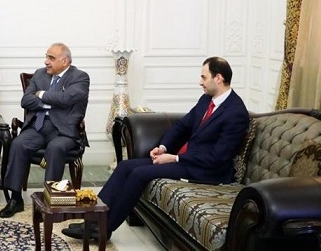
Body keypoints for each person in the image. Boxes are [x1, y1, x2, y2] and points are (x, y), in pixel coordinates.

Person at [62, 56, 250, 241]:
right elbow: (182, 126)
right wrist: (163, 147)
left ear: (218, 78)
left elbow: (218, 157)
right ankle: (92, 220)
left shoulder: (236, 112)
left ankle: (104, 228)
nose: (200, 82)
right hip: (187, 160)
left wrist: (175, 158)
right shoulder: (206, 100)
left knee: (139, 174)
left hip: (207, 171)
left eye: (204, 77)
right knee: (125, 166)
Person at [0, 43, 90, 218]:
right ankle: (15, 199)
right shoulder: (40, 74)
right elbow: (26, 101)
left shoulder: (80, 77)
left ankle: (50, 202)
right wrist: (54, 102)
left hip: (63, 130)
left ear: (65, 61)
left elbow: (67, 98)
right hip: (38, 127)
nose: (46, 61)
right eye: (46, 57)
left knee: (55, 148)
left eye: (51, 58)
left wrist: (41, 95)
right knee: (18, 144)